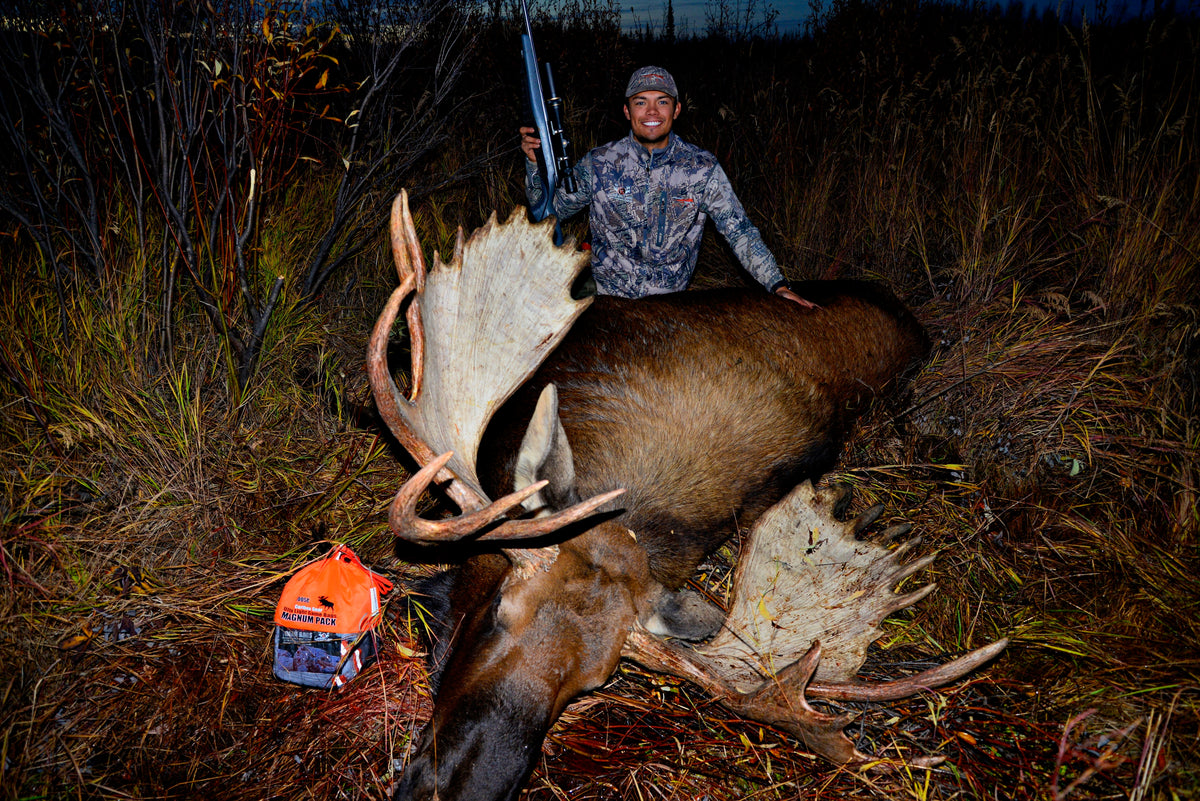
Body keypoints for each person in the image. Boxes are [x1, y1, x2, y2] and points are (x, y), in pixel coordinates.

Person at [520, 65, 812, 306]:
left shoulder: (702, 168)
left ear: (676, 109)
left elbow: (738, 230)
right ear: (627, 111)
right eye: (640, 102)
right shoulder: (599, 163)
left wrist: (777, 284)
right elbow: (548, 213)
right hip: (605, 298)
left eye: (662, 101)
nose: (651, 112)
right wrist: (534, 164)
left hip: (670, 305)